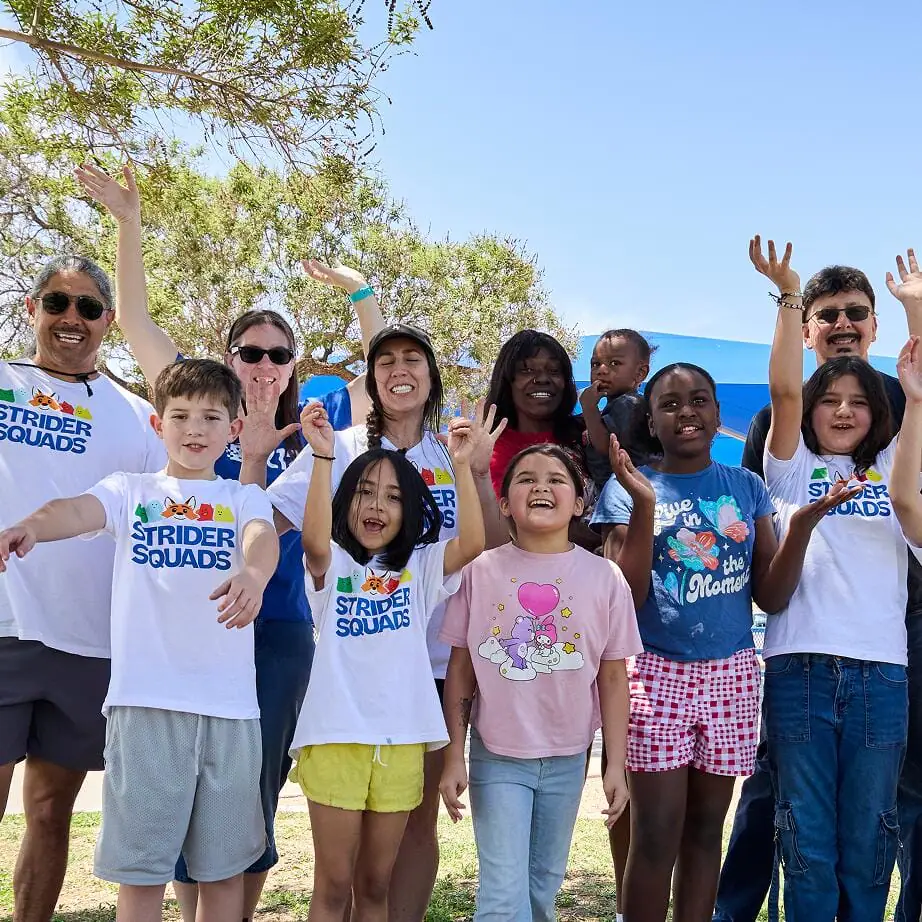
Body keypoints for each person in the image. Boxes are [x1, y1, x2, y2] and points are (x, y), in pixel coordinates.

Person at [74, 162, 386, 921]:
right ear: (229, 358)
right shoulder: (197, 401)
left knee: (247, 795)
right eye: (250, 351)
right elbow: (139, 326)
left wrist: (361, 294)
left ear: (294, 367)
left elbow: (381, 388)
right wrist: (126, 223)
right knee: (170, 797)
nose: (264, 365)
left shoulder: (318, 419)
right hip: (190, 636)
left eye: (280, 354)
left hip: (278, 630)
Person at [0, 359, 279, 922]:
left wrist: (253, 574)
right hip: (144, 709)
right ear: (158, 424)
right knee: (142, 875)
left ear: (233, 428)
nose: (195, 429)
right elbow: (74, 510)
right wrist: (30, 525)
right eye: (180, 415)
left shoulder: (242, 497)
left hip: (228, 714)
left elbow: (262, 538)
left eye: (210, 417)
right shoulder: (130, 491)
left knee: (222, 874)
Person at [266, 322, 506, 922]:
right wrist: (317, 459)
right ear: (371, 380)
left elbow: (474, 544)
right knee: (336, 878)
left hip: (419, 689)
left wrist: (470, 468)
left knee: (398, 849)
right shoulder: (340, 455)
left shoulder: (449, 459)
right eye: (386, 361)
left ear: (432, 377)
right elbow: (297, 530)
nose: (378, 505)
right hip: (341, 716)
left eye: (414, 360)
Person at [591, 357, 844, 922]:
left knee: (707, 834)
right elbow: (622, 602)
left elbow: (772, 595)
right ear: (650, 420)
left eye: (699, 399)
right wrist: (644, 506)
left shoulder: (745, 486)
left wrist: (799, 527)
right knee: (655, 836)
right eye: (671, 403)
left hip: (731, 676)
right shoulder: (627, 487)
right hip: (653, 675)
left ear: (716, 411)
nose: (687, 412)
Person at [715, 247, 922, 922]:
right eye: (827, 400)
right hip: (798, 668)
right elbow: (782, 392)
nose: (841, 410)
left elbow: (915, 398)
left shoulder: (895, 468)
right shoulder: (787, 463)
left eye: (856, 402)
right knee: (802, 833)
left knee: (871, 836)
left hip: (883, 675)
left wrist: (914, 310)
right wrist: (785, 296)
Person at [0, 253, 166, 922]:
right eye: (57, 304)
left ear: (107, 322)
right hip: (5, 628)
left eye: (89, 308)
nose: (72, 319)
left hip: (89, 644)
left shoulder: (140, 416)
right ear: (32, 310)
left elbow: (169, 510)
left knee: (48, 810)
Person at [438, 442, 644, 921]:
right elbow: (461, 672)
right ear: (505, 502)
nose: (541, 486)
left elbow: (614, 679)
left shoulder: (606, 578)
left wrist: (617, 767)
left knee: (541, 891)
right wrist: (453, 755)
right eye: (526, 478)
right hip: (498, 757)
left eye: (556, 478)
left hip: (570, 758)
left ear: (580, 502)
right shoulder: (480, 572)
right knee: (502, 897)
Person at [485, 329, 597, 549]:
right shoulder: (489, 447)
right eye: (526, 370)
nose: (542, 379)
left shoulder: (588, 433)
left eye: (554, 370)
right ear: (507, 381)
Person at [580, 328, 659, 490]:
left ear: (640, 373)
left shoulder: (629, 404)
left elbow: (605, 446)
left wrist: (589, 407)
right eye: (595, 364)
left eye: (615, 363)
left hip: (626, 492)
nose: (601, 370)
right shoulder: (616, 406)